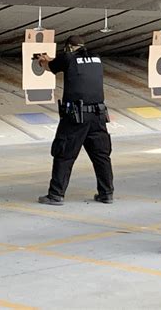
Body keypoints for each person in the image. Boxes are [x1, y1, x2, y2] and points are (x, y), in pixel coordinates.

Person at [36, 35, 114, 206]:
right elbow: (68, 62)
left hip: (76, 117)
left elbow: (50, 66)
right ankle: (106, 193)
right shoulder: (96, 58)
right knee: (101, 156)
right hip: (98, 114)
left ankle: (56, 194)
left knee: (64, 154)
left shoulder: (67, 58)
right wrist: (52, 59)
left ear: (69, 47)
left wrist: (42, 60)